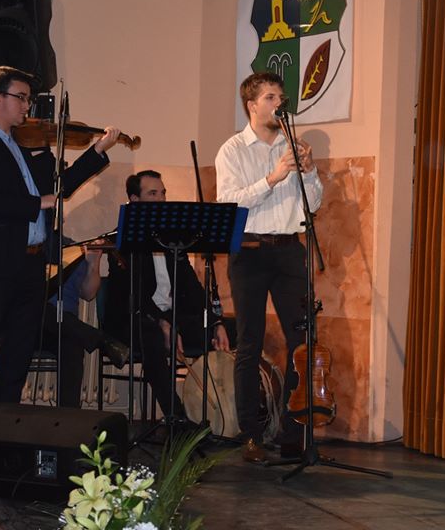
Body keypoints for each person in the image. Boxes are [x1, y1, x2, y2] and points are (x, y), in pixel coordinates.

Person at [0, 65, 121, 441]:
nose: (27, 106)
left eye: (28, 99)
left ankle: (2, 426)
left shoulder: (27, 148)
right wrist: (34, 203)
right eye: (22, 97)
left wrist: (96, 151)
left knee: (18, 350)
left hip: (31, 264)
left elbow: (59, 189)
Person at [215, 72, 323, 463]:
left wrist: (309, 172)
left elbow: (314, 202)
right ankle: (252, 435)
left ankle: (294, 433)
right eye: (271, 97)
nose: (280, 103)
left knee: (301, 342)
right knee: (250, 342)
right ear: (252, 105)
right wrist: (273, 177)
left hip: (290, 249)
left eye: (281, 96)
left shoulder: (292, 145)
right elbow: (230, 203)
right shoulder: (232, 150)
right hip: (250, 251)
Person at [105, 170, 230, 421]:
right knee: (151, 336)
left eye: (163, 193)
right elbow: (134, 295)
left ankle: (219, 416)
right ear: (134, 200)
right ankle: (177, 418)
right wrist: (162, 322)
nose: (161, 199)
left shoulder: (173, 239)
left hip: (170, 317)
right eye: (153, 194)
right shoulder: (123, 239)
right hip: (133, 319)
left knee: (230, 330)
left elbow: (192, 287)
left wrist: (216, 321)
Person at [37, 241, 129, 408]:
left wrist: (93, 264)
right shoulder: (33, 248)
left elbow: (88, 294)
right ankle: (102, 340)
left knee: (72, 343)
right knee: (42, 308)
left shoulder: (72, 248)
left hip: (65, 329)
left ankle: (68, 415)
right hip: (33, 325)